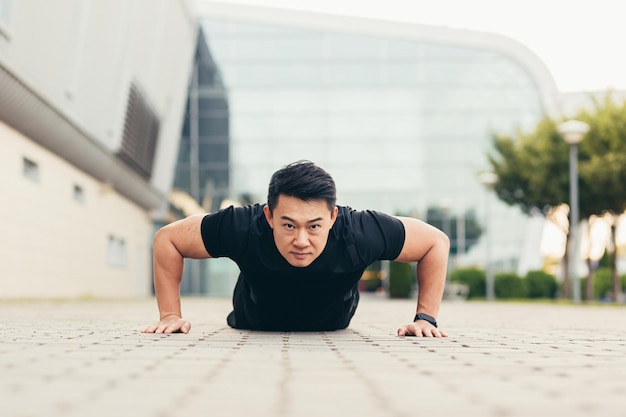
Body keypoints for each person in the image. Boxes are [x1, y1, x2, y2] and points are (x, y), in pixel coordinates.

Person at [142, 161, 449, 337]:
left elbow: (436, 242)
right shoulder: (243, 225)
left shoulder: (360, 231)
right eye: (288, 225)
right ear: (269, 216)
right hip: (256, 322)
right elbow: (168, 239)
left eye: (314, 226)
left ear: (332, 217)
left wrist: (426, 319)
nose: (301, 240)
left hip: (331, 323)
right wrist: (170, 315)